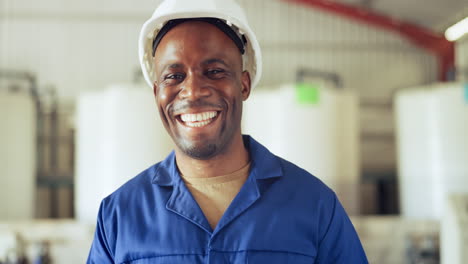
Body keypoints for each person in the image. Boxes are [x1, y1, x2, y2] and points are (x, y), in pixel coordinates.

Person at [87, 0, 368, 263]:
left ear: (243, 85)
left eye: (215, 71)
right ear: (157, 92)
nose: (193, 91)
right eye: (174, 76)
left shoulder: (314, 205)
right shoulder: (120, 215)